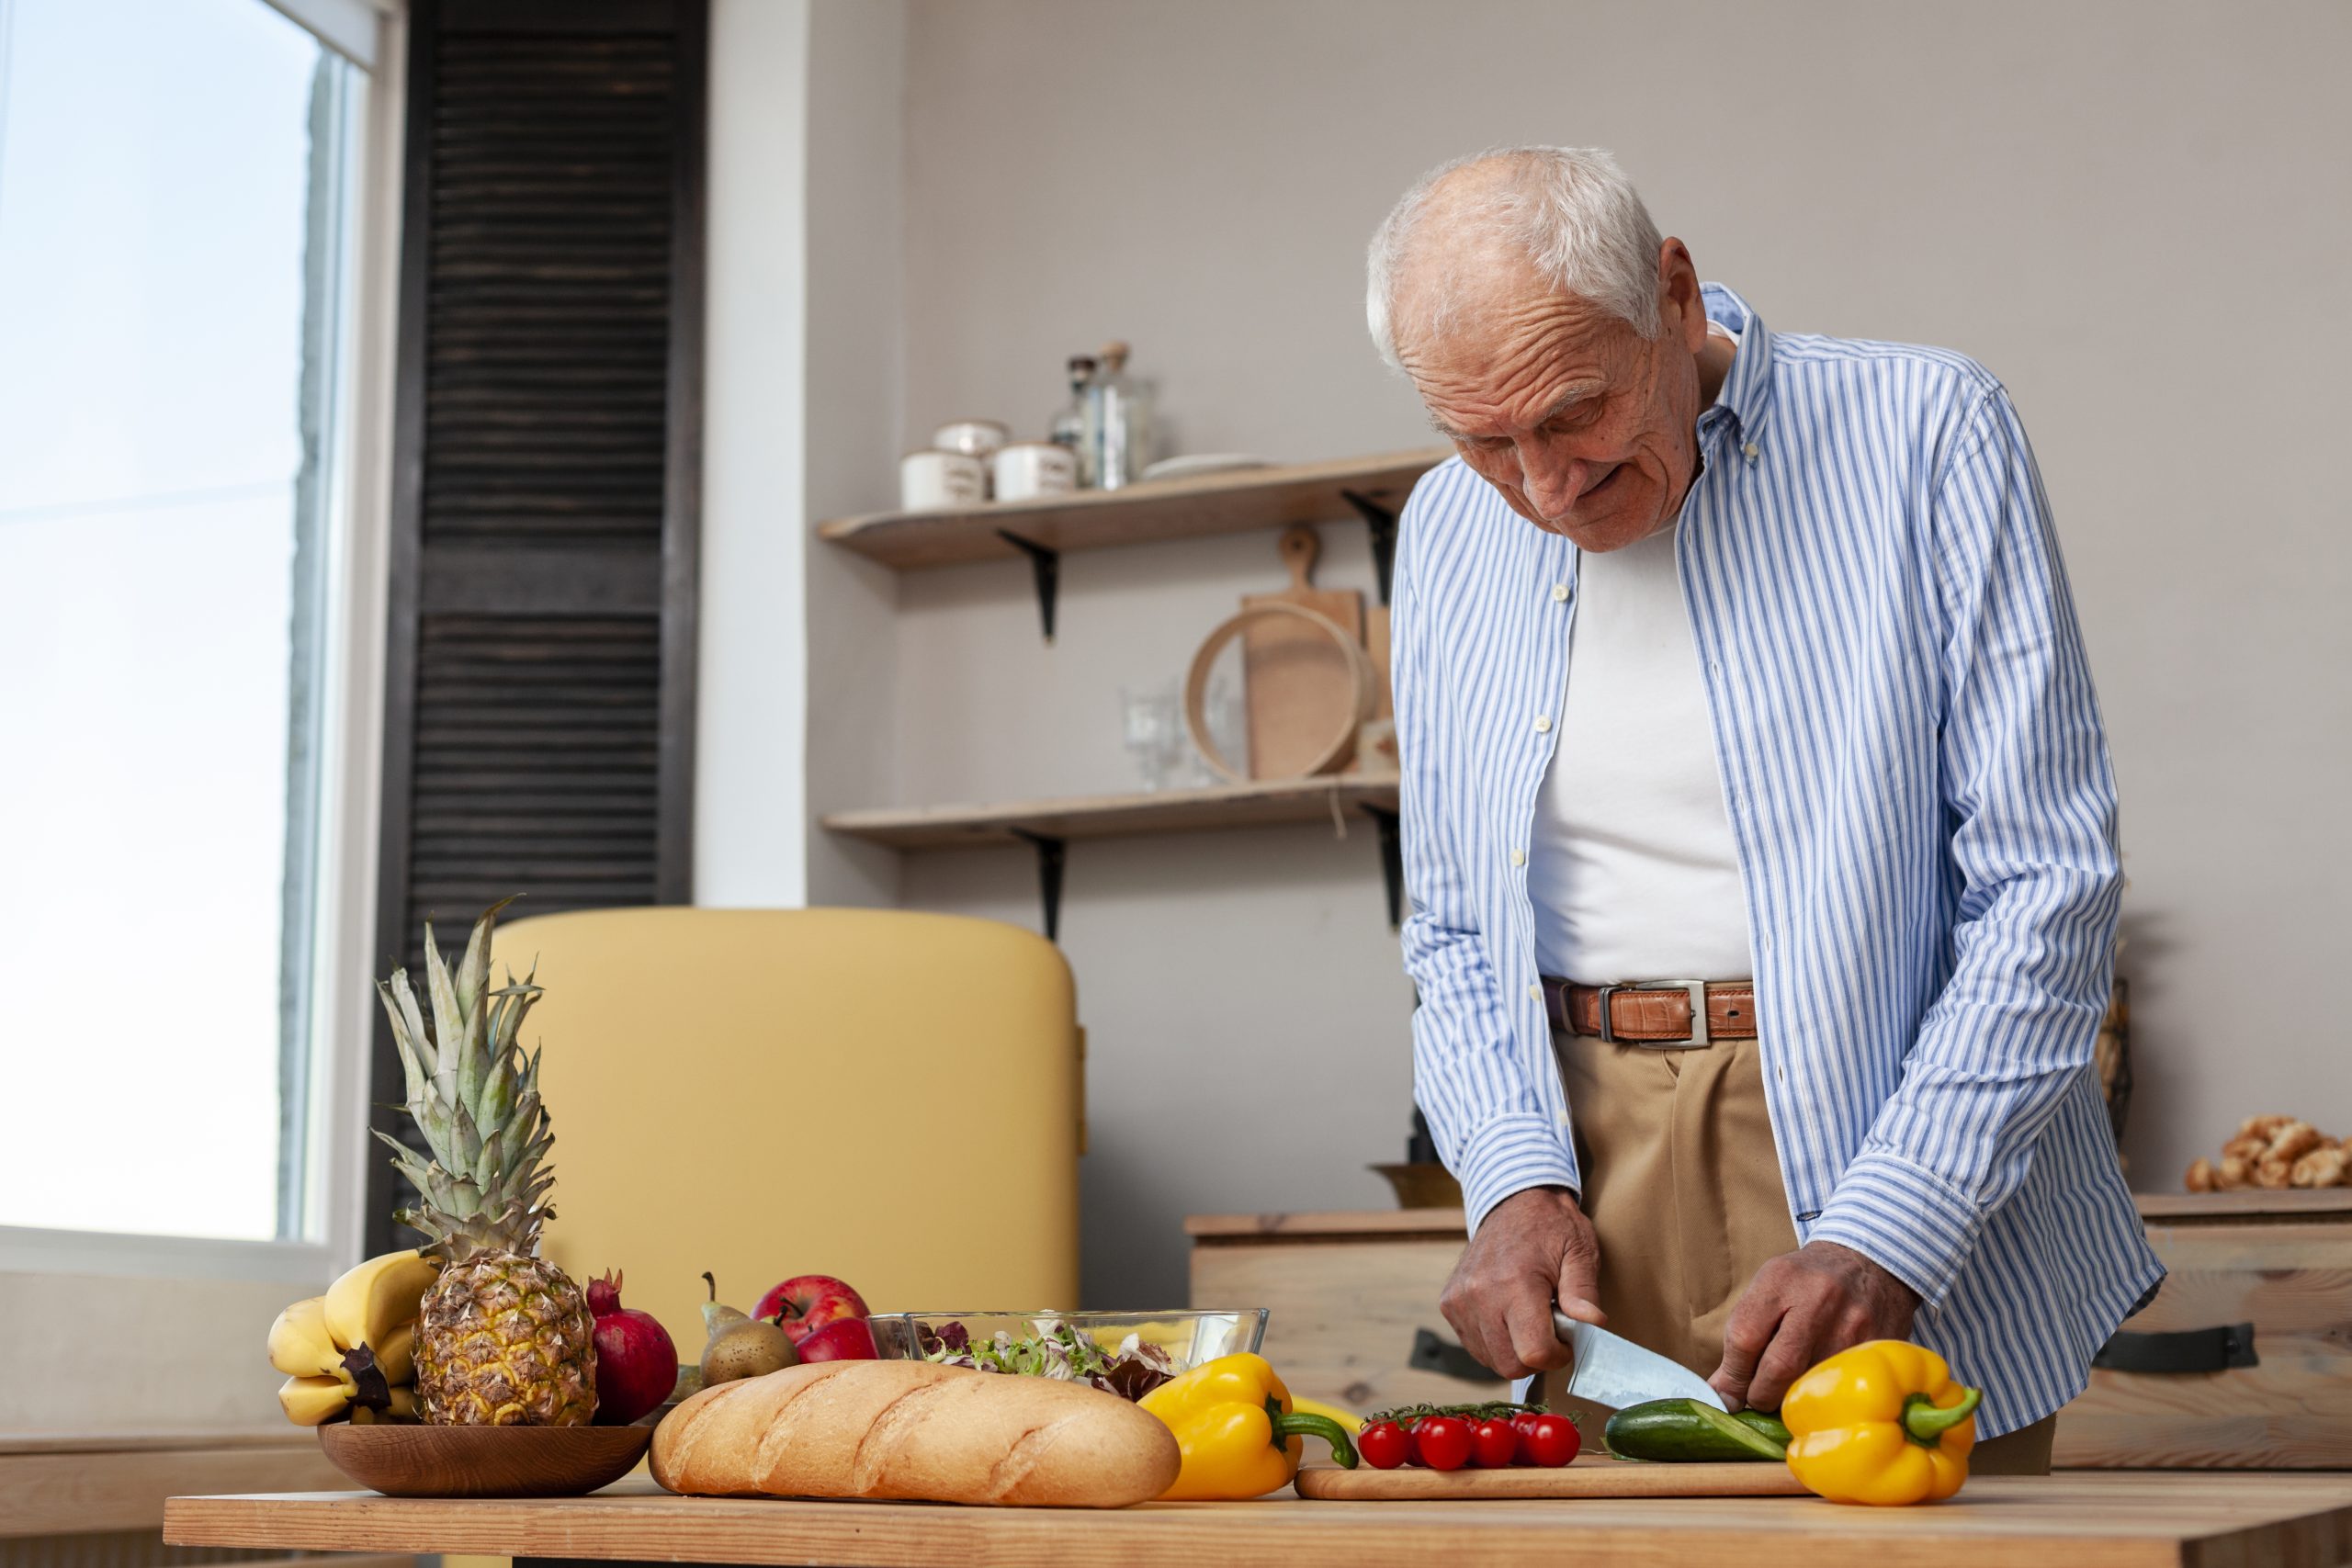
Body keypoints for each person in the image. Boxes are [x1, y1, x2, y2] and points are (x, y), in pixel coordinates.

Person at [1370, 146, 2161, 1472]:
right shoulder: (1449, 527)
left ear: (1673, 294)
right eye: (1485, 439)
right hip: (1588, 1174)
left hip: (1893, 1137)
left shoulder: (1926, 429)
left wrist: (1892, 1230)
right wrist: (1508, 1177)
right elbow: (1453, 924)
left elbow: (2046, 882)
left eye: (1574, 413)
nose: (1546, 488)